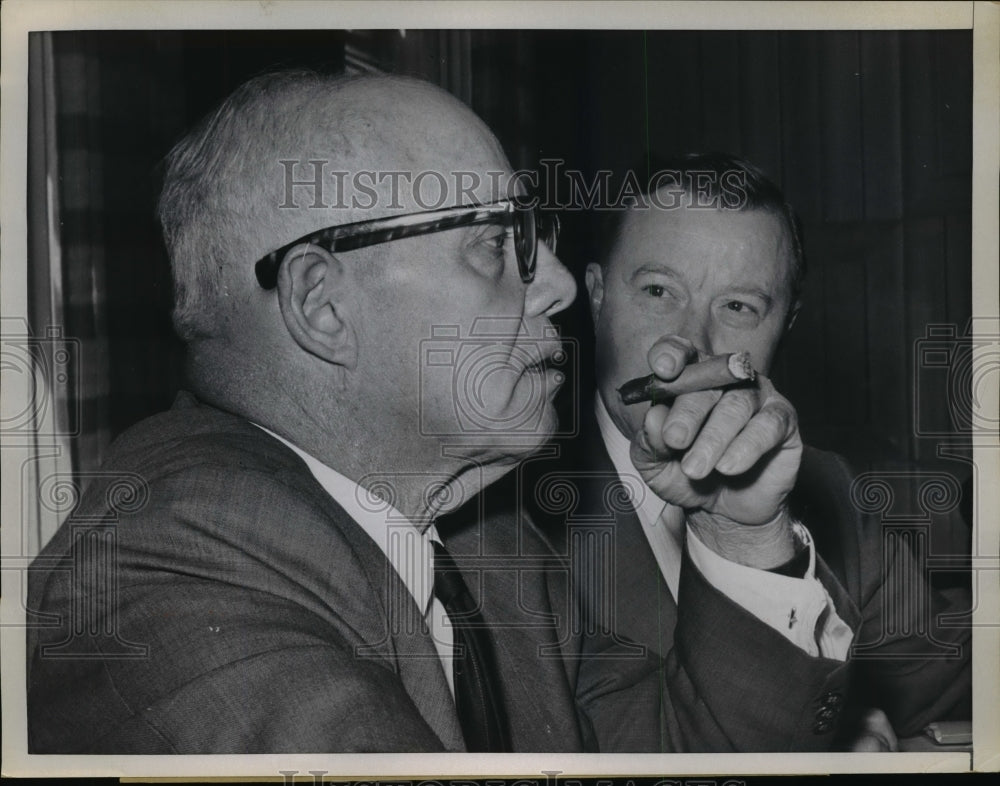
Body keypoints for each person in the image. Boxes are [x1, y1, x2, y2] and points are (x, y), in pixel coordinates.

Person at [521, 152, 972, 751]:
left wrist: (847, 705)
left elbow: (951, 677)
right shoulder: (509, 515)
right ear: (598, 295)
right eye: (658, 290)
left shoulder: (824, 487)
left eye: (739, 307)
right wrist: (833, 735)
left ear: (787, 325)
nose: (691, 345)